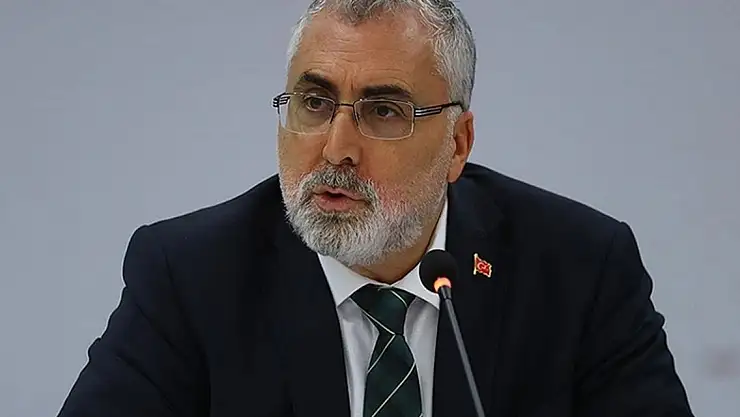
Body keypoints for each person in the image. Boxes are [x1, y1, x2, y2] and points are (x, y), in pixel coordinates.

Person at [58, 1, 694, 416]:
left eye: (384, 111)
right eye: (314, 103)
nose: (337, 148)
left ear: (457, 144)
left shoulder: (580, 270)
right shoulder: (192, 276)